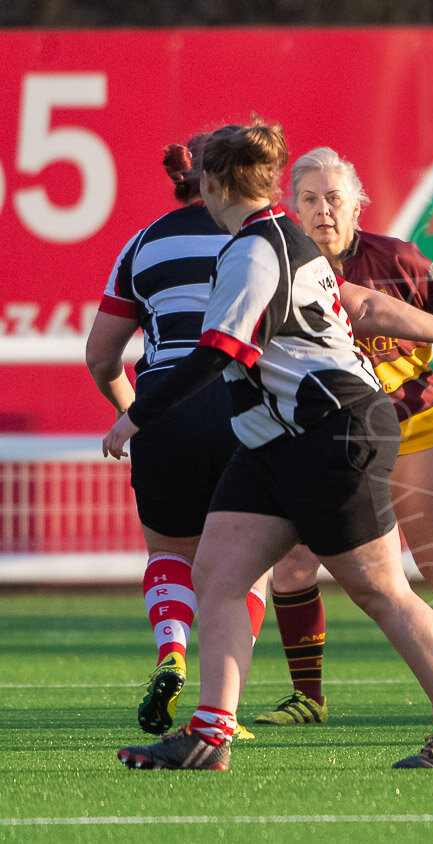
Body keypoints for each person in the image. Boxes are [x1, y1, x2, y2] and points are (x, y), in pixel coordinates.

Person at [108, 119, 433, 770]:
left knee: (380, 589)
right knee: (217, 575)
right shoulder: (282, 240)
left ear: (211, 184)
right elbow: (363, 304)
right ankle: (211, 734)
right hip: (278, 439)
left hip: (334, 432)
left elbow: (216, 352)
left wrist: (137, 415)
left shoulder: (254, 250)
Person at [250, 147, 433, 729]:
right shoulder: (274, 263)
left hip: (409, 423)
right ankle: (308, 698)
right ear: (291, 207)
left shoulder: (395, 258)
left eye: (334, 198)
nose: (323, 210)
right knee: (296, 563)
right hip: (319, 433)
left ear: (357, 205)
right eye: (309, 198)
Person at [85, 136, 269, 739]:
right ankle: (224, 709)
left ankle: (171, 649)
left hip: (164, 413)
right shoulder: (264, 235)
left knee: (169, 555)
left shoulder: (141, 245)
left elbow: (101, 355)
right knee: (246, 571)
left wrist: (137, 412)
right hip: (245, 409)